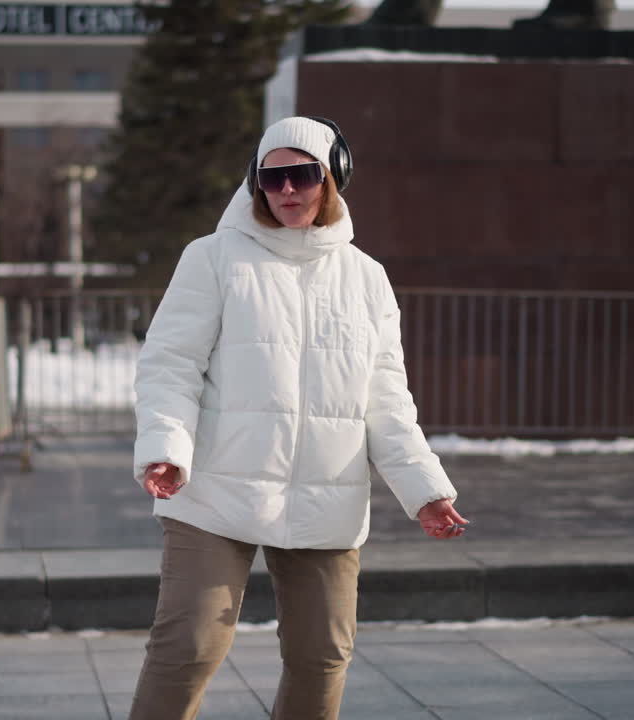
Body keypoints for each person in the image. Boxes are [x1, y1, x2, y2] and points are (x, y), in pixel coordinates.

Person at [129, 116, 467, 720]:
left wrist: (424, 491)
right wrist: (165, 446)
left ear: (332, 178)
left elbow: (386, 400)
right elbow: (170, 365)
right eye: (273, 177)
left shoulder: (367, 279)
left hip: (325, 493)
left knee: (323, 655)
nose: (287, 190)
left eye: (303, 174)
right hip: (215, 487)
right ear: (255, 184)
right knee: (189, 645)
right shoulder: (211, 259)